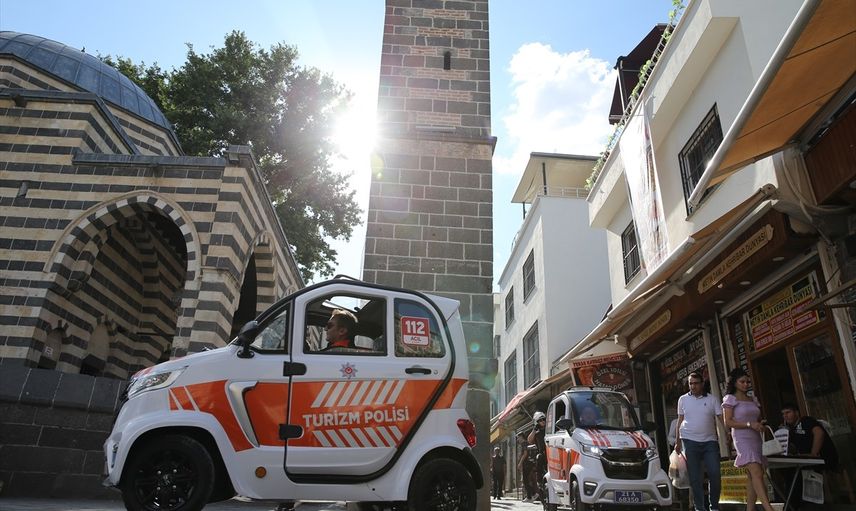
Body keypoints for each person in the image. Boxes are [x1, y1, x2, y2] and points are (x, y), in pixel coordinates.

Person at [722, 368, 775, 511]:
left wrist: (759, 424)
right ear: (734, 383)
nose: (746, 384)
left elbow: (756, 418)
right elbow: (728, 422)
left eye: (747, 382)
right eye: (742, 382)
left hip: (756, 437)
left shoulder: (753, 399)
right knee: (757, 473)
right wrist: (749, 424)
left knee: (754, 476)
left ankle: (750, 509)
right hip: (742, 438)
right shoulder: (730, 399)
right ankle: (768, 508)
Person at [675, 371, 722, 511]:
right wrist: (677, 442)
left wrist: (728, 434)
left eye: (696, 383)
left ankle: (714, 506)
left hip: (710, 442)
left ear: (702, 384)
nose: (693, 386)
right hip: (689, 441)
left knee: (715, 473)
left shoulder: (712, 399)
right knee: (695, 478)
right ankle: (699, 508)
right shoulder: (683, 399)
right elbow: (679, 421)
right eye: (690, 383)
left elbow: (721, 418)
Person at [781, 403, 838, 507]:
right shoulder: (791, 429)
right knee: (788, 471)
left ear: (796, 413)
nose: (785, 416)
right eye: (783, 414)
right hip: (807, 460)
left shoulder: (806, 421)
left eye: (788, 412)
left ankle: (799, 505)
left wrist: (813, 453)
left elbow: (819, 433)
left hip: (823, 458)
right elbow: (793, 448)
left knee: (796, 473)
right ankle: (794, 505)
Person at [527, 411, 547, 500]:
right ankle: (539, 481)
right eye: (540, 420)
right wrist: (534, 429)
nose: (542, 421)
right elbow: (529, 440)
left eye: (544, 419)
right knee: (539, 457)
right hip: (543, 455)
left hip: (552, 452)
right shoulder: (537, 432)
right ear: (537, 422)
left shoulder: (550, 428)